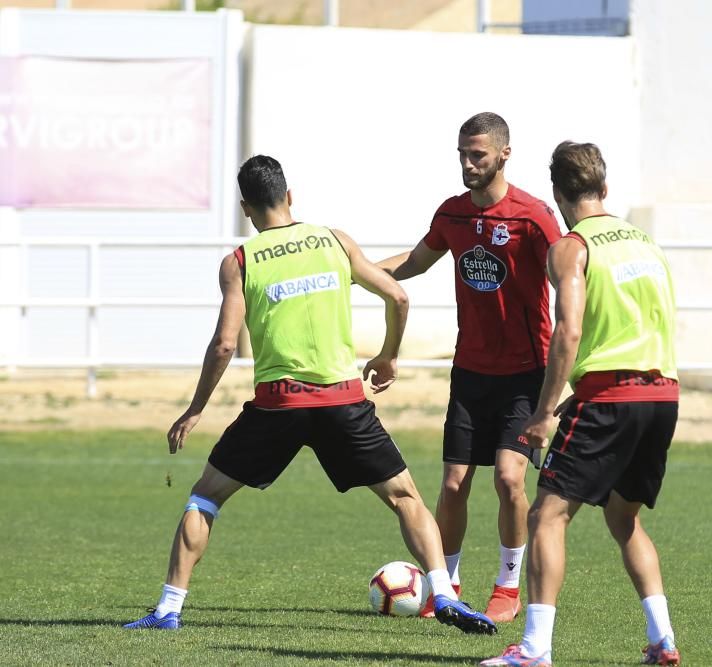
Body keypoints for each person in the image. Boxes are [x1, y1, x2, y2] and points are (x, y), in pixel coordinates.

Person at [123, 155, 496, 636]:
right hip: (343, 401)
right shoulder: (333, 241)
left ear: (245, 208)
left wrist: (196, 409)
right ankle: (444, 595)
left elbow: (222, 344)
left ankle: (168, 609)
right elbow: (399, 297)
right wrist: (388, 357)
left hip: (277, 405)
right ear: (289, 195)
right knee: (406, 498)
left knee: (204, 499)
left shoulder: (240, 262)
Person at [480, 142, 681, 666]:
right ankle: (663, 641)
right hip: (661, 396)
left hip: (612, 398)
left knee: (546, 516)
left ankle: (533, 650)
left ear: (557, 193)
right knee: (624, 520)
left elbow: (567, 332)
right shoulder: (645, 243)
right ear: (604, 188)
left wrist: (546, 411)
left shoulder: (571, 248)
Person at [377, 112, 562, 623]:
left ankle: (507, 585)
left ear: (504, 154)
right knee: (455, 482)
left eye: (477, 154)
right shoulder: (453, 214)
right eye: (462, 153)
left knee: (508, 479)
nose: (467, 163)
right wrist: (356, 271)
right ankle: (448, 586)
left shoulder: (532, 217)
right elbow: (415, 262)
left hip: (527, 372)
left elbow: (571, 277)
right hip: (471, 372)